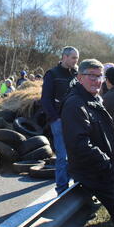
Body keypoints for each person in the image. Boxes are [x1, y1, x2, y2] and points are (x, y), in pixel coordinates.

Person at [61, 59, 114, 227]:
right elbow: (79, 144)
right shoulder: (75, 104)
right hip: (95, 173)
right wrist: (106, 163)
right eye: (92, 76)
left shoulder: (93, 98)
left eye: (100, 76)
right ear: (80, 77)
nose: (97, 80)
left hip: (104, 171)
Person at [41, 46, 79, 195]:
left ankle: (78, 185)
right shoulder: (52, 74)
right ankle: (62, 190)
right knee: (63, 156)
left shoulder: (77, 74)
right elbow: (45, 99)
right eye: (73, 58)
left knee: (78, 154)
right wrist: (55, 118)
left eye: (77, 58)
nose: (76, 61)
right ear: (64, 57)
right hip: (59, 120)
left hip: (76, 120)